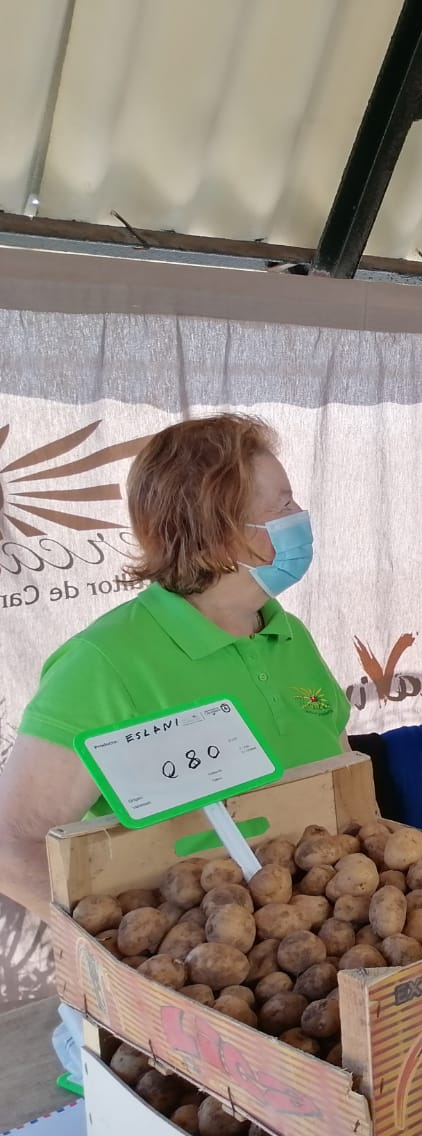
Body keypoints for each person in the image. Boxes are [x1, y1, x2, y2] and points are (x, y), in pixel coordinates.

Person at [0, 414, 348, 1085]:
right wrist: (122, 963)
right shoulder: (105, 664)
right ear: (219, 535)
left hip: (311, 956)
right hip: (191, 993)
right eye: (279, 507)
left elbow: (338, 779)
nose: (300, 518)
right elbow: (12, 842)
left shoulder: (286, 634)